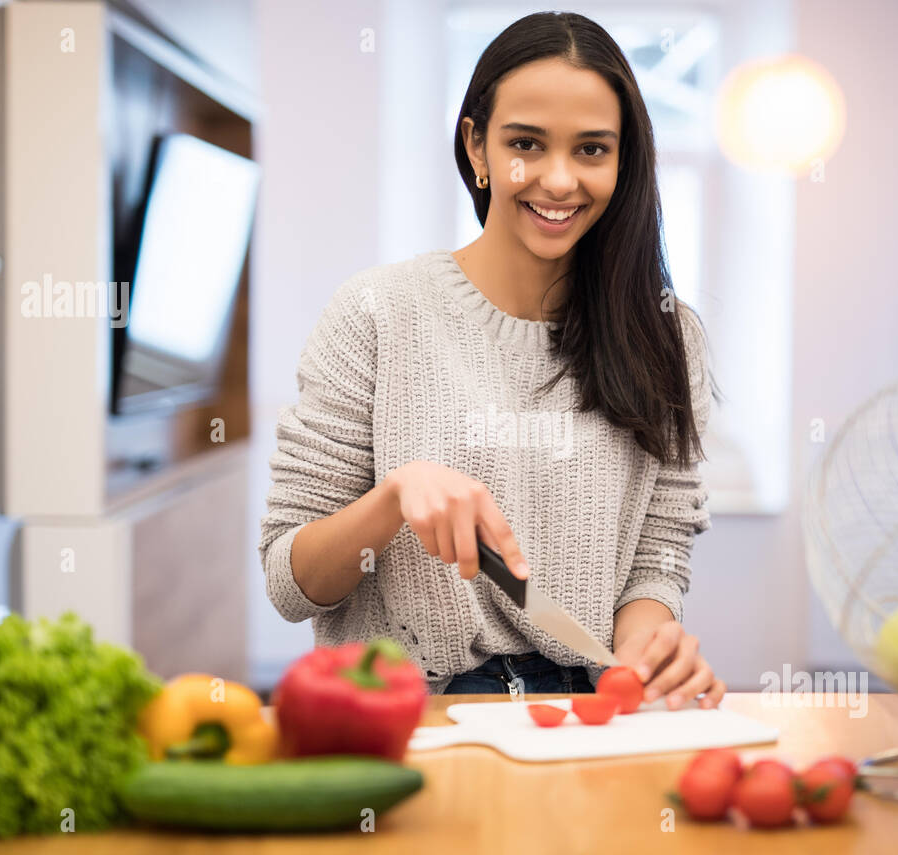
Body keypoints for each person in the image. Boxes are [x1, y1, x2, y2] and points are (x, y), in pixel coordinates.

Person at [260, 11, 725, 709]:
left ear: (623, 161)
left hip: (588, 714)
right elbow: (291, 585)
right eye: (526, 144)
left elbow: (655, 561)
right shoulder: (377, 312)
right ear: (476, 146)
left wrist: (644, 652)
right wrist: (393, 497)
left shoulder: (665, 334)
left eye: (592, 150)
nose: (559, 180)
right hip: (408, 713)